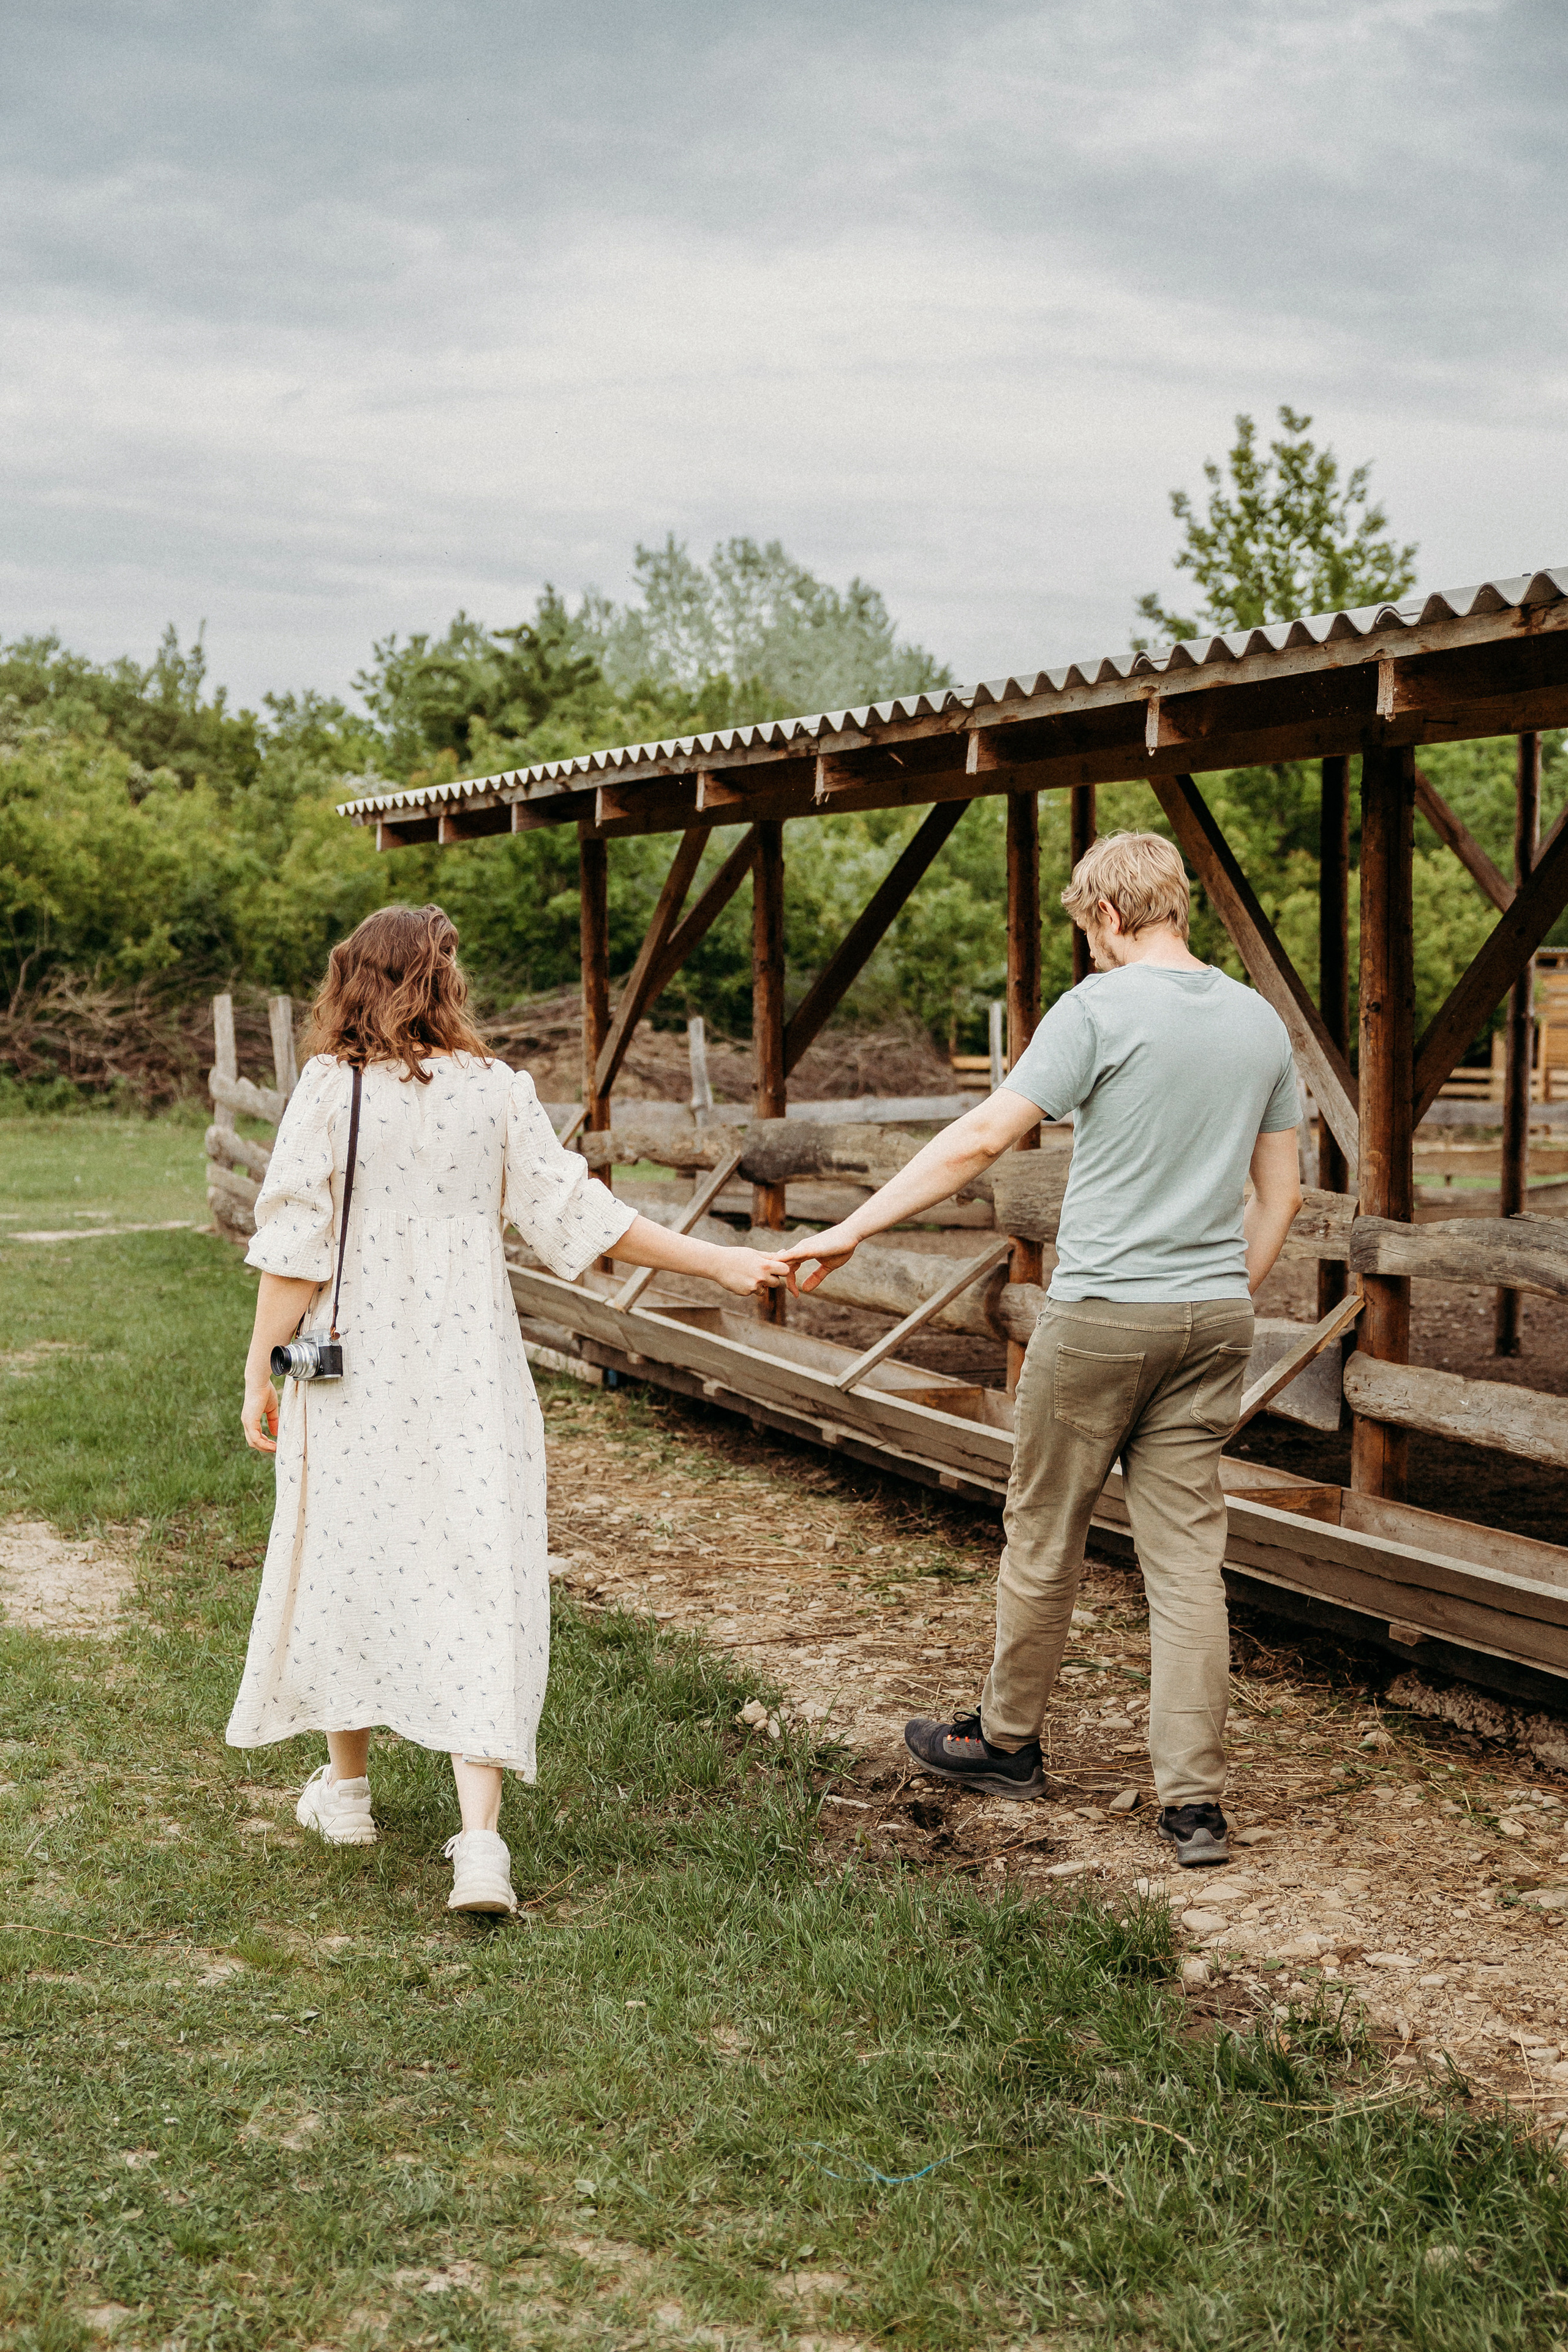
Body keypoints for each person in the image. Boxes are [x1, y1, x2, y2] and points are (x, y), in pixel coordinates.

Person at [234, 903, 791, 1915]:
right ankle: (480, 1846)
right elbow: (585, 1216)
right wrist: (724, 1257)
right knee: (475, 1566)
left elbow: (295, 1246)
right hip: (470, 1371)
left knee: (346, 1547)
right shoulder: (498, 1093)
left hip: (353, 1370)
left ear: (352, 981)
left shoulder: (329, 1089)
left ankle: (349, 1791)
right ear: (444, 982)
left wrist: (259, 1371)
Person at [780, 832, 1303, 1869]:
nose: (1092, 953)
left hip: (1103, 1314)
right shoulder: (1259, 1022)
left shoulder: (1098, 1009)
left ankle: (1006, 1741)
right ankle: (1192, 1808)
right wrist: (1218, 1290)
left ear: (1108, 916)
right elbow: (1279, 1194)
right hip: (1212, 1319)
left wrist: (851, 1228)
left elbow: (981, 1138)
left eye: (1090, 934)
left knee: (1044, 1532)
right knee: (1190, 1562)